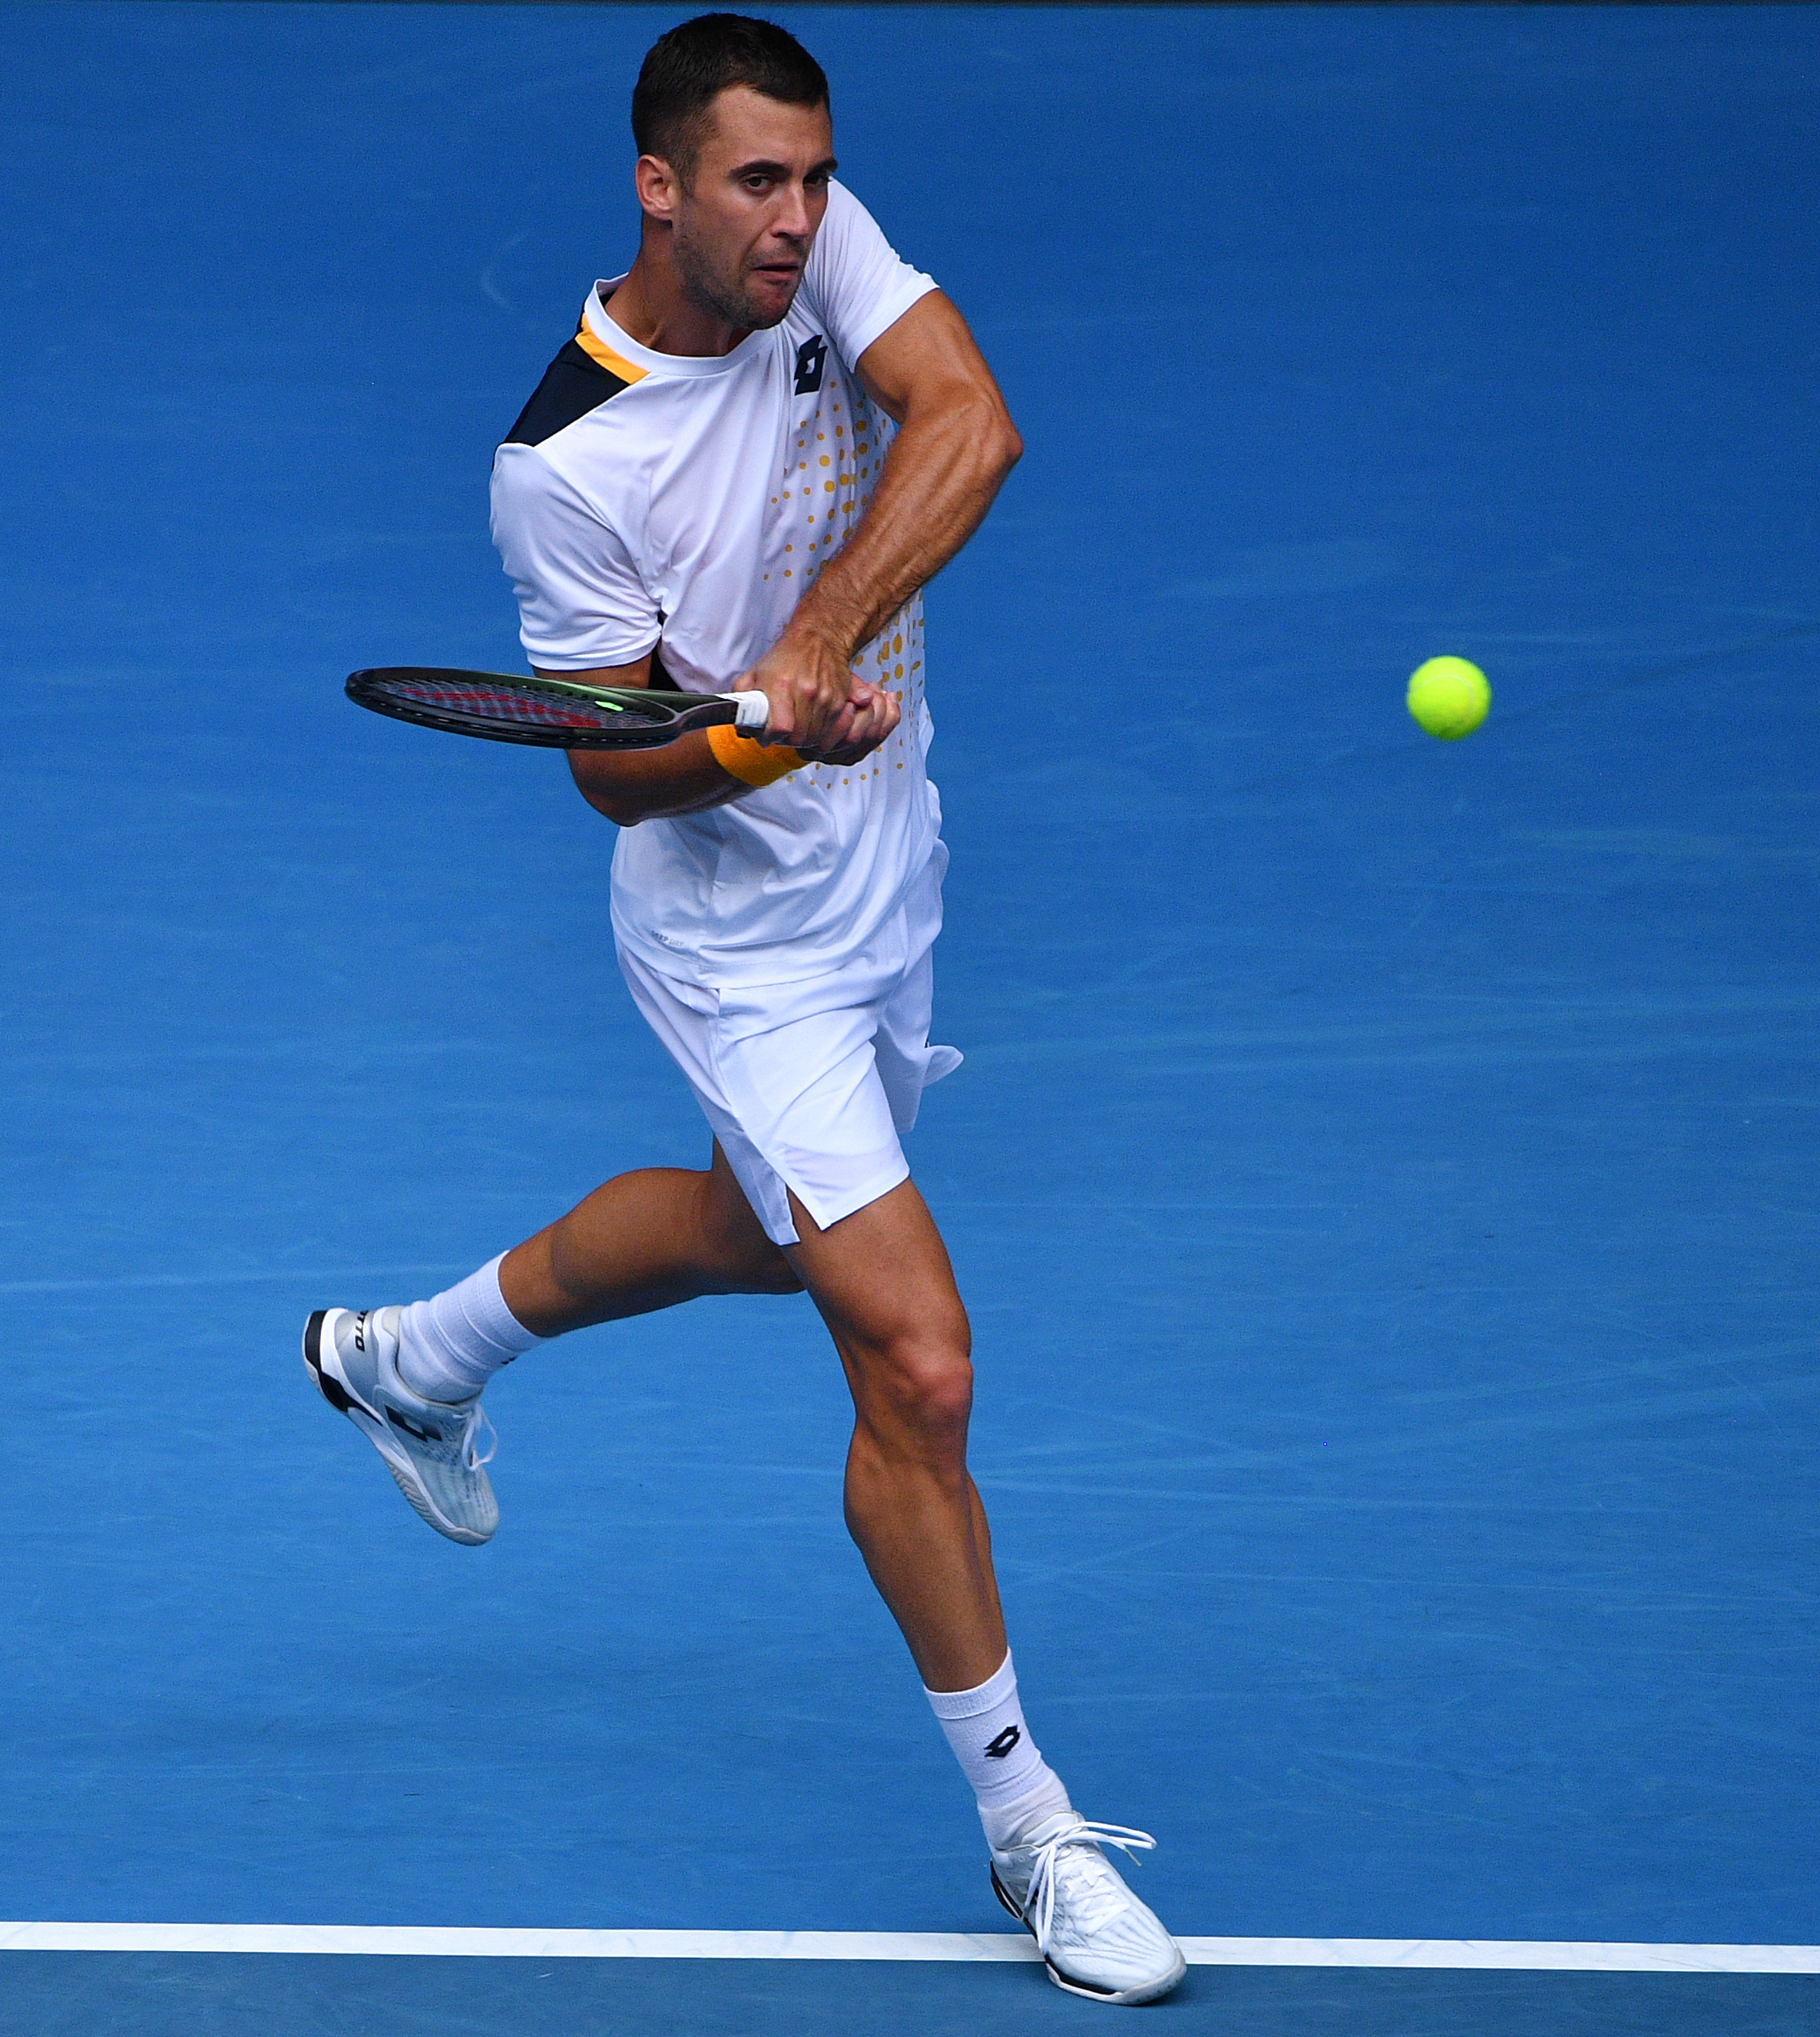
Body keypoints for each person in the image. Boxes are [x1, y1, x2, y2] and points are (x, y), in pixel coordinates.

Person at [303, 15, 1180, 2006]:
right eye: (753, 185)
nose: (794, 220)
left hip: (894, 866)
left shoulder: (824, 242)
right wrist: (758, 749)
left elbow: (968, 418)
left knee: (754, 1234)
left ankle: (408, 1362)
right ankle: (1032, 1832)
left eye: (810, 178)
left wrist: (812, 644)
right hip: (739, 945)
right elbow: (610, 773)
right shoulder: (562, 468)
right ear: (656, 186)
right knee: (915, 1363)